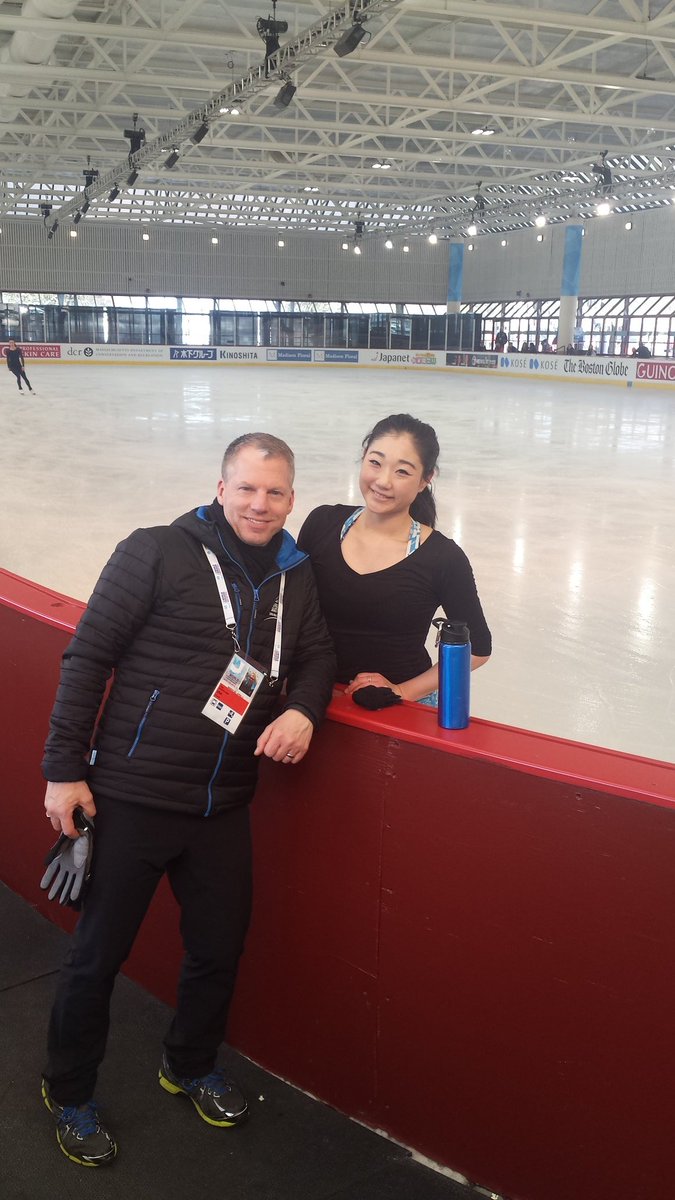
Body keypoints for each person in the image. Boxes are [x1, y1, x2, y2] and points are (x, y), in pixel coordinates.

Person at [40, 432, 335, 1167]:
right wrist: (64, 769)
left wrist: (303, 707)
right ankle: (69, 1090)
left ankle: (190, 1063)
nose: (260, 504)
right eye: (247, 488)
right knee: (97, 958)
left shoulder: (296, 576)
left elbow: (318, 654)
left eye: (274, 492)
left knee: (217, 950)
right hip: (132, 794)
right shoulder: (157, 551)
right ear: (220, 487)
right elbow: (88, 656)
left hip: (224, 802)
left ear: (291, 498)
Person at [297, 413, 491, 704]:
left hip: (398, 708)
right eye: (375, 462)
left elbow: (477, 648)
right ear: (363, 457)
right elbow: (292, 610)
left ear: (426, 479)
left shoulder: (443, 558)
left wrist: (402, 691)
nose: (383, 481)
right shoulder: (321, 523)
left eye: (402, 472)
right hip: (314, 695)